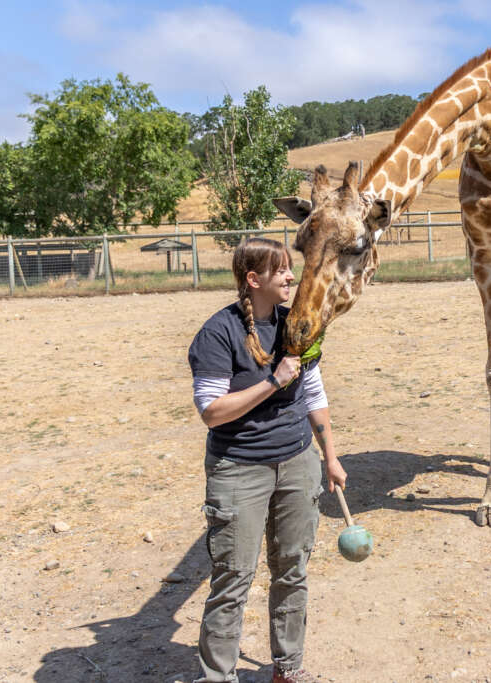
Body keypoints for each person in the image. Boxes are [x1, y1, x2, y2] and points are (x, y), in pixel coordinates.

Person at [187, 237, 346, 683]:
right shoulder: (218, 333)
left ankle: (288, 669)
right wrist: (273, 382)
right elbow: (212, 412)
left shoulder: (298, 324)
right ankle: (218, 677)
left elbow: (314, 393)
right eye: (282, 272)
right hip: (238, 470)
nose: (292, 278)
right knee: (233, 579)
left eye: (290, 269)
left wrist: (330, 457)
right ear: (253, 280)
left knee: (292, 570)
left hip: (298, 463)